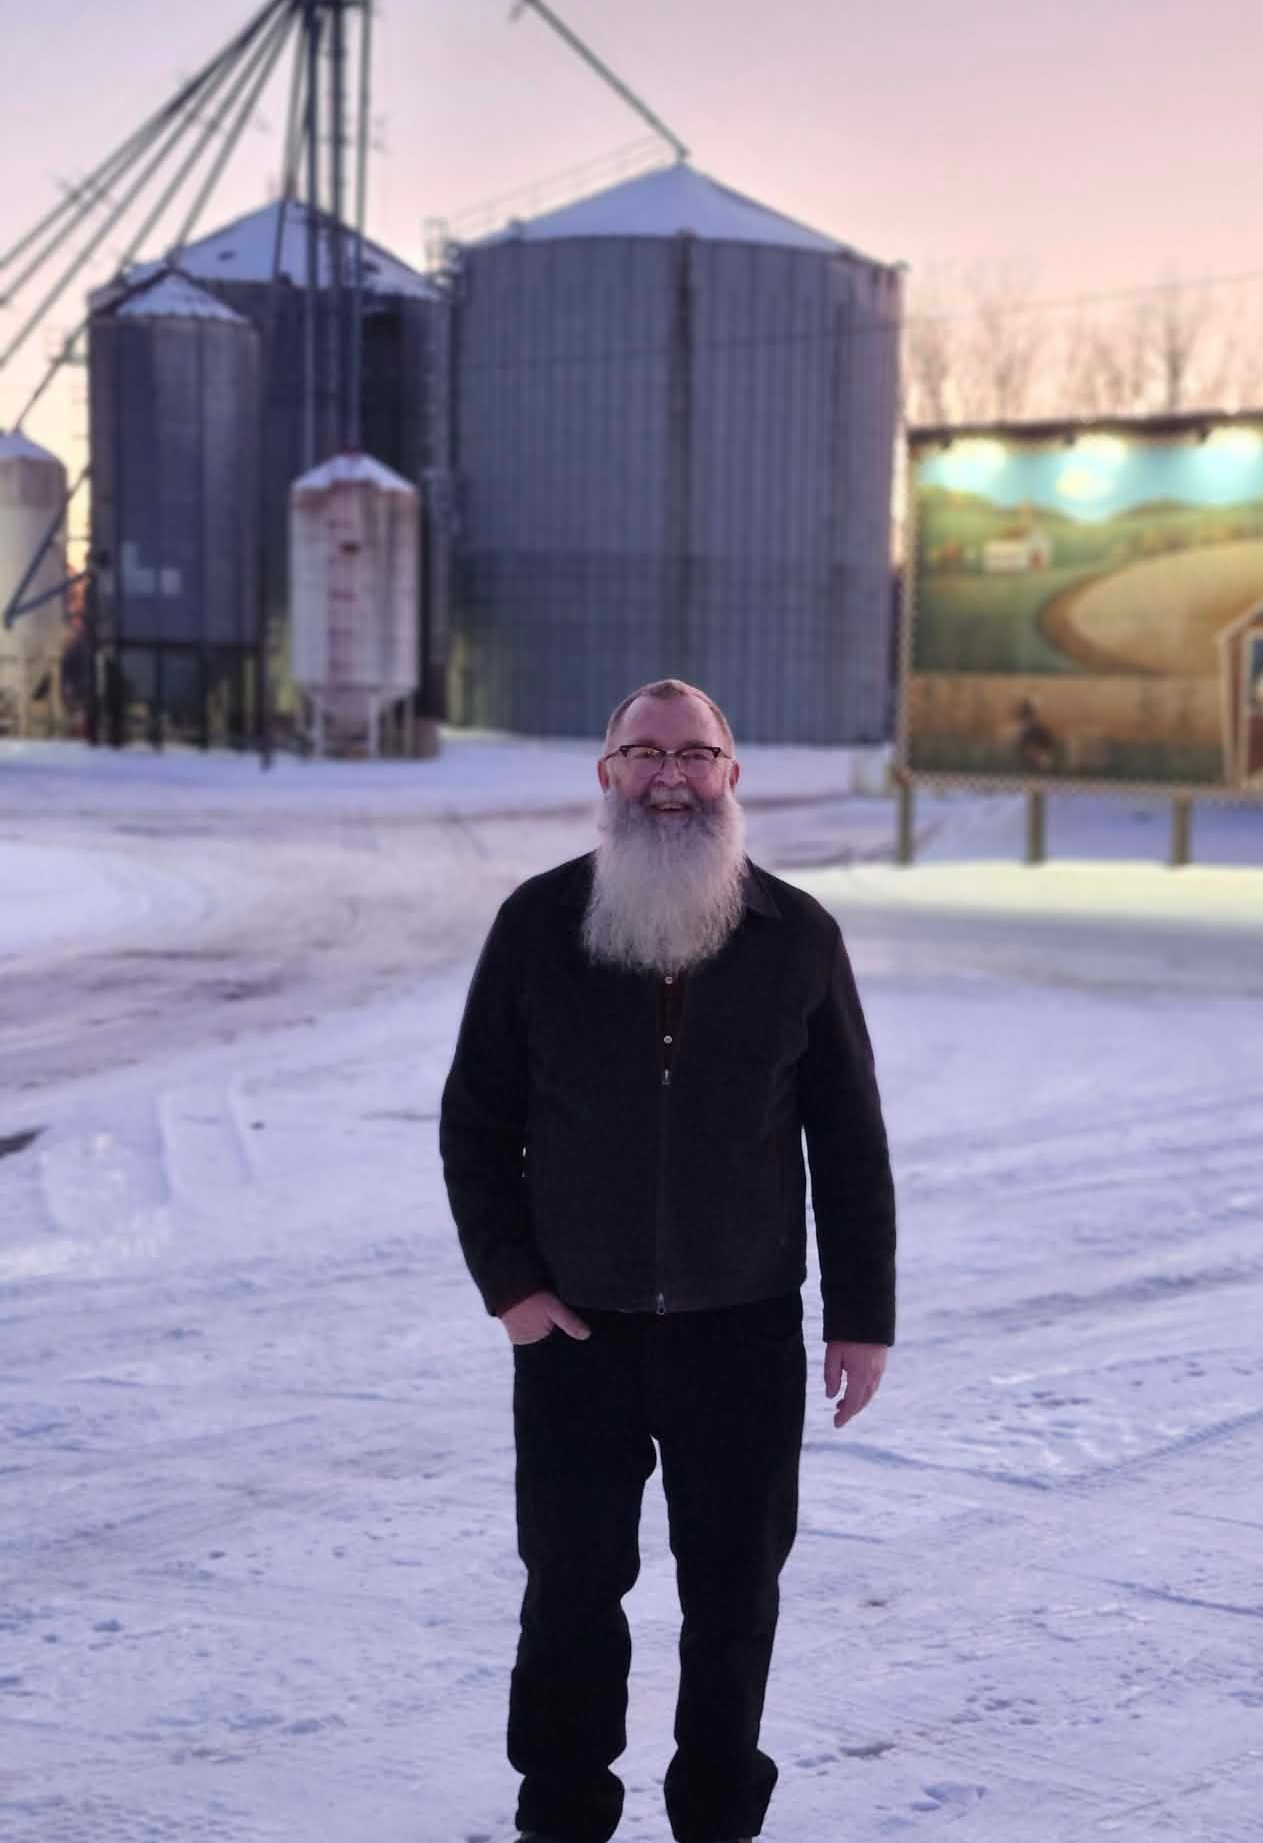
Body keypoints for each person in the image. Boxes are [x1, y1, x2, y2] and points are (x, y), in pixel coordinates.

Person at [440, 677, 897, 1843]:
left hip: (740, 1333)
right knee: (571, 1594)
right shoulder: (540, 923)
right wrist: (514, 1287)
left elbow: (847, 1138)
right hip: (575, 1334)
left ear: (731, 777)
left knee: (735, 1598)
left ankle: (716, 1819)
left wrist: (863, 1314)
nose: (670, 774)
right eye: (643, 752)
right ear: (606, 777)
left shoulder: (796, 935)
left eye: (696, 752)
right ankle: (562, 1814)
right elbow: (475, 1119)